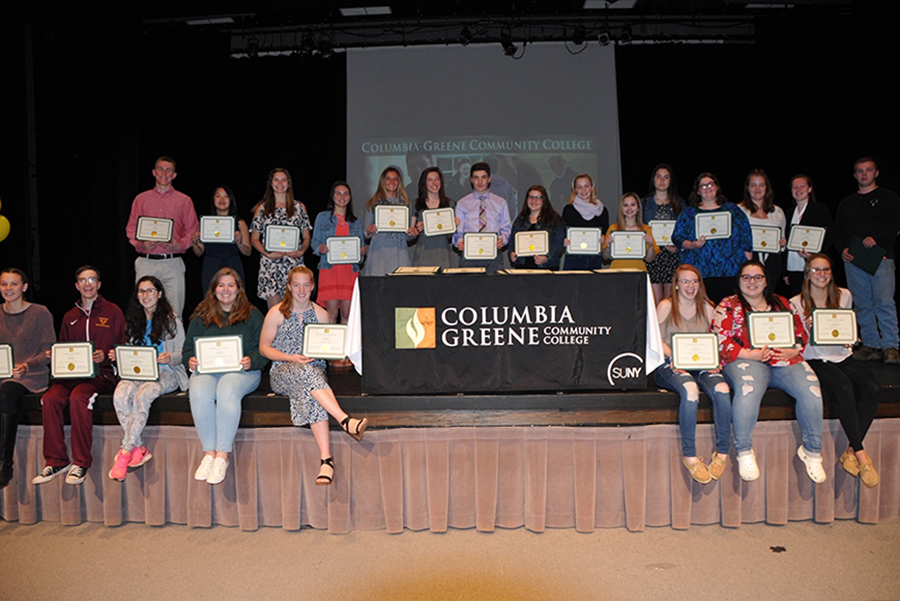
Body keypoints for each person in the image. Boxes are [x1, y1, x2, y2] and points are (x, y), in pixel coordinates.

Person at [713, 260, 825, 484]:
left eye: (758, 277)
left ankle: (812, 451)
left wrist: (794, 350)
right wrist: (748, 354)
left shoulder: (782, 303)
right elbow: (719, 340)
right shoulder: (728, 304)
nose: (752, 282)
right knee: (748, 389)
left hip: (783, 360)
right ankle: (744, 451)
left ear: (766, 282)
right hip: (746, 359)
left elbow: (800, 333)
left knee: (812, 388)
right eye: (746, 277)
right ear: (739, 280)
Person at [259, 266, 369, 486]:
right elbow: (264, 349)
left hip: (314, 372)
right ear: (289, 286)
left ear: (312, 287)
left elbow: (327, 348)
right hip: (283, 371)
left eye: (306, 285)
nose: (301, 290)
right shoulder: (277, 312)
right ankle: (344, 420)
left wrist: (335, 350)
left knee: (312, 381)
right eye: (296, 285)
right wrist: (291, 358)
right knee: (308, 374)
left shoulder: (321, 313)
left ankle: (326, 461)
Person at [790, 254, 881, 487]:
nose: (821, 274)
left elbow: (847, 331)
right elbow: (797, 342)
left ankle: (850, 450)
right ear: (807, 273)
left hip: (842, 356)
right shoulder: (796, 302)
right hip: (816, 358)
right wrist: (808, 328)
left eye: (826, 270)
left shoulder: (844, 295)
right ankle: (860, 453)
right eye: (816, 270)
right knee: (843, 386)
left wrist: (850, 339)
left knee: (873, 388)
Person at [33, 266, 125, 486]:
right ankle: (56, 460)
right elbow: (65, 349)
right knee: (50, 398)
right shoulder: (69, 316)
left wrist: (108, 355)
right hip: (71, 376)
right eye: (83, 280)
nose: (87, 284)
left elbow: (123, 346)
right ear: (77, 285)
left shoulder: (113, 312)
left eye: (92, 279)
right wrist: (54, 356)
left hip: (101, 375)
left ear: (99, 284)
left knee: (79, 398)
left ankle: (81, 462)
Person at [182, 268, 266, 485]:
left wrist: (252, 360)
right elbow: (188, 350)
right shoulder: (201, 315)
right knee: (198, 390)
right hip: (208, 370)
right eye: (221, 285)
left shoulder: (253, 315)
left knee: (227, 388)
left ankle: (222, 456)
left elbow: (263, 350)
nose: (226, 289)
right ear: (214, 289)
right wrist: (190, 360)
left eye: (231, 285)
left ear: (239, 289)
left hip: (243, 371)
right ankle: (209, 453)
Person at [653, 265, 732, 483]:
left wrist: (714, 360)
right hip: (671, 365)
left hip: (702, 366)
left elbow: (717, 340)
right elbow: (655, 341)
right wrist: (675, 358)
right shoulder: (666, 306)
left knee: (723, 389)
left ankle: (722, 453)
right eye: (685, 281)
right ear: (676, 284)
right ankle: (690, 456)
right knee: (690, 390)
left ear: (700, 284)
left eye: (694, 281)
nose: (690, 286)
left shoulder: (708, 308)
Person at [106, 277, 188, 481]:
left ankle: (125, 452)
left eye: (150, 291)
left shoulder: (172, 320)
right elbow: (132, 354)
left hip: (166, 372)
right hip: (138, 373)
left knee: (143, 395)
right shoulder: (134, 321)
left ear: (159, 294)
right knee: (120, 394)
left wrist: (171, 356)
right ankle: (138, 447)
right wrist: (119, 356)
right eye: (142, 292)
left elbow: (185, 352)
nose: (146, 295)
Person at [833, 157, 900, 364]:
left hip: (881, 258)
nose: (864, 174)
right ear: (855, 175)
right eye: (860, 171)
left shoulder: (889, 198)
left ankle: (891, 346)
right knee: (862, 304)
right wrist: (842, 249)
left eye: (868, 170)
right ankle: (871, 344)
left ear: (876, 173)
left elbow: (896, 224)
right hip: (854, 261)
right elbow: (838, 231)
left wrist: (877, 239)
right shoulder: (847, 203)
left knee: (884, 303)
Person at [0, 268, 55, 488]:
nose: (8, 289)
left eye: (13, 284)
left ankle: (4, 464)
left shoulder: (40, 313)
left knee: (6, 393)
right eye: (4, 284)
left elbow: (48, 351)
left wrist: (26, 365)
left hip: (30, 376)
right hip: (3, 374)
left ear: (24, 287)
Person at [125, 156, 199, 317]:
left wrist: (178, 245)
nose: (164, 173)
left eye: (168, 170)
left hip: (172, 263)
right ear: (153, 172)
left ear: (174, 175)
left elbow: (193, 231)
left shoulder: (184, 201)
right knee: (144, 312)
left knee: (174, 313)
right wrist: (140, 244)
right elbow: (131, 229)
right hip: (146, 262)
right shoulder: (141, 199)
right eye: (160, 169)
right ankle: (146, 342)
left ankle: (175, 343)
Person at [672, 172, 753, 303]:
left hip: (730, 269)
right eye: (702, 186)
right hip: (700, 269)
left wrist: (747, 256)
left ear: (717, 187)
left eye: (710, 184)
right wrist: (692, 245)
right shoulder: (689, 213)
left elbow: (746, 234)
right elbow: (677, 238)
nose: (707, 188)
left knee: (729, 307)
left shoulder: (733, 210)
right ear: (697, 191)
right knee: (705, 308)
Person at [250, 168, 312, 308]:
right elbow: (254, 239)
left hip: (293, 264)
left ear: (289, 183)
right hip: (270, 265)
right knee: (275, 313)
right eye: (276, 179)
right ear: (271, 184)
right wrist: (267, 253)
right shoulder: (262, 208)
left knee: (295, 312)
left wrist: (301, 251)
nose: (280, 183)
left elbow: (307, 237)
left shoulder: (299, 207)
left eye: (284, 179)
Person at [311, 181, 366, 326]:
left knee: (347, 315)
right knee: (332, 314)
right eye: (338, 193)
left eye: (346, 193)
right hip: (330, 271)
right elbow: (314, 243)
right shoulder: (322, 218)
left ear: (350, 197)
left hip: (349, 272)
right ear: (333, 197)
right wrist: (320, 248)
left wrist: (361, 252)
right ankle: (331, 347)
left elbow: (360, 250)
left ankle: (346, 349)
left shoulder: (356, 222)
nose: (342, 197)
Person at [191, 186, 252, 293]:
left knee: (235, 300)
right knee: (210, 300)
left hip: (233, 263)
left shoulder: (240, 223)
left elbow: (248, 252)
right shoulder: (205, 222)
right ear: (213, 199)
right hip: (210, 264)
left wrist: (240, 244)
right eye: (218, 196)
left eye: (226, 196)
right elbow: (199, 253)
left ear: (231, 200)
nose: (222, 199)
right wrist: (195, 243)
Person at [453, 161, 512, 272]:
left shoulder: (500, 202)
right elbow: (458, 232)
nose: (480, 182)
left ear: (489, 179)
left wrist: (502, 240)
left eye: (483, 177)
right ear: (471, 179)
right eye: (476, 178)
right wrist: (459, 242)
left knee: (494, 288)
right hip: (469, 256)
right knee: (469, 289)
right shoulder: (462, 203)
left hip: (493, 255)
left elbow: (506, 229)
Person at [363, 166, 418, 276]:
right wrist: (369, 230)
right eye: (388, 179)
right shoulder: (373, 203)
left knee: (399, 290)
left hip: (400, 253)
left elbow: (407, 236)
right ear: (383, 181)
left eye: (395, 179)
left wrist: (413, 233)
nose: (392, 182)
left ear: (399, 182)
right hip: (379, 254)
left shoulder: (407, 204)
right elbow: (366, 234)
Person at [784, 174, 834, 296]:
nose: (798, 190)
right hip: (793, 266)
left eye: (802, 186)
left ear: (810, 189)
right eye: (794, 187)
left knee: (815, 300)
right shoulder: (788, 213)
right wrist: (785, 272)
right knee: (797, 302)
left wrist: (814, 253)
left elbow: (830, 236)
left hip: (814, 266)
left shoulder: (820, 209)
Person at [739, 169, 786, 293]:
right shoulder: (739, 211)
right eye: (753, 185)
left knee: (769, 295)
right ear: (747, 188)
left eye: (761, 185)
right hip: (748, 259)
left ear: (767, 188)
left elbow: (782, 240)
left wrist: (783, 243)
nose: (757, 189)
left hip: (772, 261)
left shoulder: (777, 212)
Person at [643, 164, 684, 303]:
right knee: (655, 301)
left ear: (670, 181)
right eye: (658, 176)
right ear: (653, 180)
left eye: (666, 177)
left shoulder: (680, 204)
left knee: (670, 301)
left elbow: (685, 230)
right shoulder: (644, 204)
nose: (662, 180)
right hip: (653, 256)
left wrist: (678, 246)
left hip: (672, 257)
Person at [509, 185, 565, 270]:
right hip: (523, 269)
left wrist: (547, 258)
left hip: (546, 268)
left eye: (538, 197)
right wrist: (512, 254)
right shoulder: (520, 220)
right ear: (527, 199)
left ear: (544, 200)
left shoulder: (554, 220)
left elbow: (558, 244)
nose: (534, 200)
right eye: (531, 197)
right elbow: (512, 242)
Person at [412, 167, 458, 269]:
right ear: (424, 183)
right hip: (423, 254)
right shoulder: (415, 205)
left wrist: (454, 226)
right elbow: (411, 233)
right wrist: (415, 230)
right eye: (430, 180)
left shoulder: (450, 205)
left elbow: (451, 237)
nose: (434, 183)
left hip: (443, 253)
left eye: (437, 179)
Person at [561, 173, 608, 271]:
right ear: (575, 190)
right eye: (579, 187)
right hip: (573, 260)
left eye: (586, 186)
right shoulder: (568, 210)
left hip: (594, 259)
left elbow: (605, 234)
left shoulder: (603, 211)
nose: (583, 190)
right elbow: (563, 233)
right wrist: (564, 240)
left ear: (592, 187)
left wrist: (604, 239)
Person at [602, 193, 658, 271]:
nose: (629, 208)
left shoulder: (646, 229)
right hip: (617, 270)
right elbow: (605, 257)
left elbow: (650, 259)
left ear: (638, 208)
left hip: (638, 270)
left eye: (633, 205)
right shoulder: (613, 228)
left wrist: (651, 245)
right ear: (621, 208)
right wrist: (608, 246)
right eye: (625, 205)